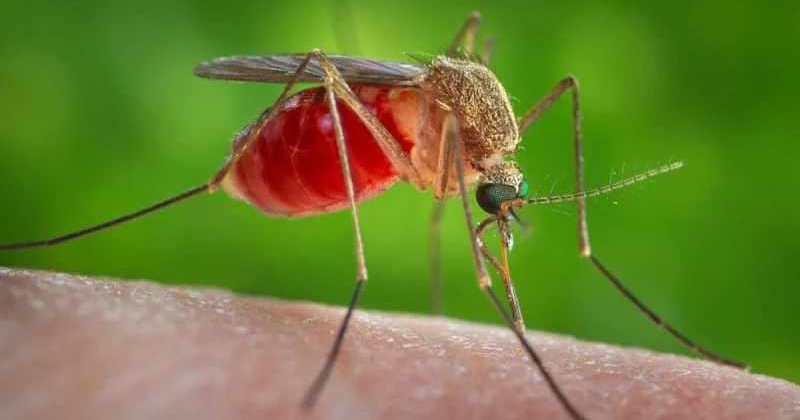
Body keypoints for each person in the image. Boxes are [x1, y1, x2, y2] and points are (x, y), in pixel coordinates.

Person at [1, 268, 798, 420]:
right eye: (499, 204)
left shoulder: (487, 151)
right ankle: (359, 273)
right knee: (326, 64)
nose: (502, 216)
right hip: (327, 119)